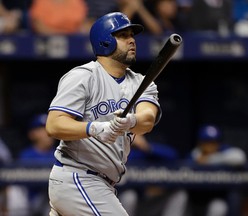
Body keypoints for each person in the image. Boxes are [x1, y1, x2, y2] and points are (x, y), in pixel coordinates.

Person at [45, 11, 161, 216]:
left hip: (104, 183)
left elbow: (147, 121)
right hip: (78, 176)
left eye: (132, 35)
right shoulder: (83, 76)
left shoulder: (142, 83)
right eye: (123, 35)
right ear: (105, 41)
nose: (132, 40)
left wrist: (130, 120)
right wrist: (96, 128)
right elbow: (54, 125)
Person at [185, 124, 247, 216]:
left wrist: (210, 160)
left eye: (213, 142)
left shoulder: (223, 150)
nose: (210, 146)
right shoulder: (195, 154)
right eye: (207, 142)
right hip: (197, 197)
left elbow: (240, 157)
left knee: (218, 206)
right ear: (200, 143)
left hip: (217, 196)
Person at [118, 134, 188, 216]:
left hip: (157, 200)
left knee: (180, 194)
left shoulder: (152, 147)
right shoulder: (129, 152)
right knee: (129, 196)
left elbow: (173, 155)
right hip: (139, 200)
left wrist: (146, 147)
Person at [7, 113, 57, 216]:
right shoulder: (26, 155)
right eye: (42, 129)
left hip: (49, 202)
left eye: (49, 128)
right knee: (14, 189)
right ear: (32, 134)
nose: (47, 132)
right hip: (28, 200)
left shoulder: (59, 154)